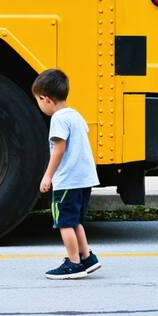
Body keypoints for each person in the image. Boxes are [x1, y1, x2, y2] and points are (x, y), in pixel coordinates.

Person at [32, 69, 101, 279]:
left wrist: (48, 176)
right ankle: (87, 257)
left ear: (46, 99)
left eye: (38, 100)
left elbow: (59, 149)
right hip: (83, 179)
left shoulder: (59, 119)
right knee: (76, 220)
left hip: (67, 180)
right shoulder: (76, 115)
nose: (39, 105)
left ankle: (73, 263)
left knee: (64, 222)